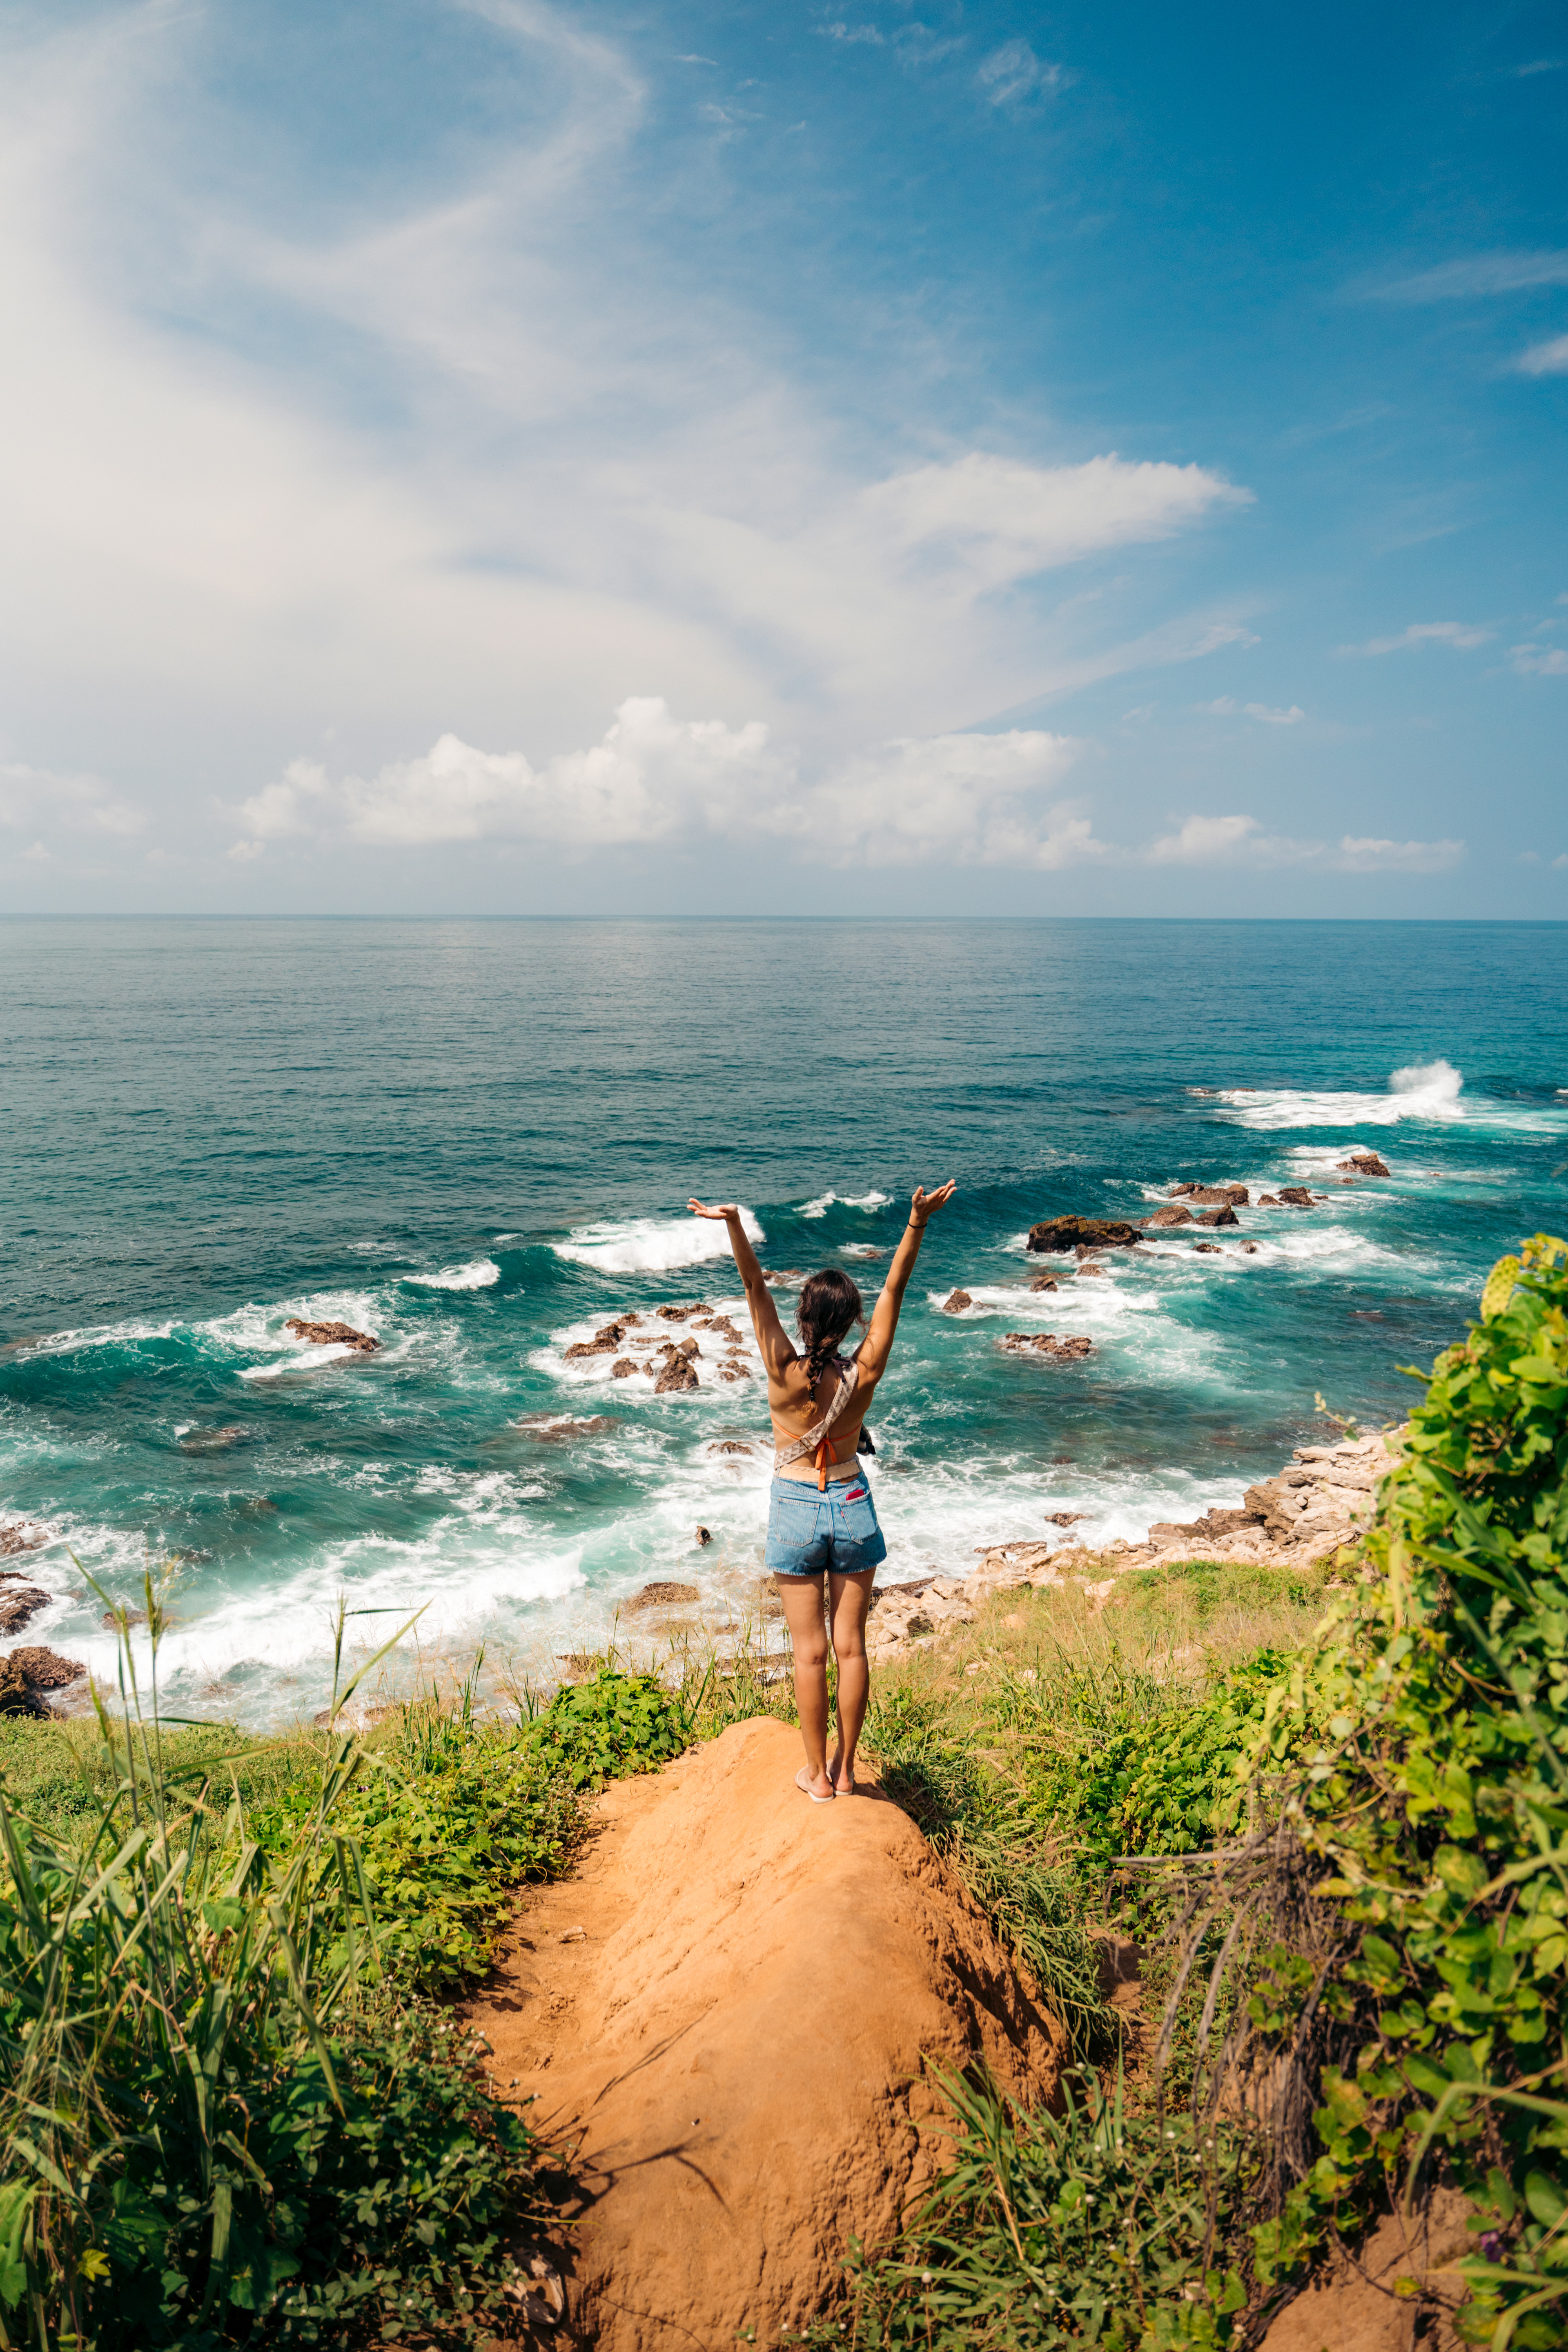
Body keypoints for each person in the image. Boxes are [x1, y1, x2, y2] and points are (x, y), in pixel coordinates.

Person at [687, 1183, 957, 1802]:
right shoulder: (864, 1373)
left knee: (809, 1654)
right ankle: (846, 1768)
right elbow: (895, 1292)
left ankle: (816, 1776)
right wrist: (915, 1223)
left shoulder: (783, 1371)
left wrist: (733, 1224)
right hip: (852, 1500)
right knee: (851, 1648)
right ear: (852, 1321)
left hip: (795, 1507)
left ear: (804, 1321)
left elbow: (754, 1288)